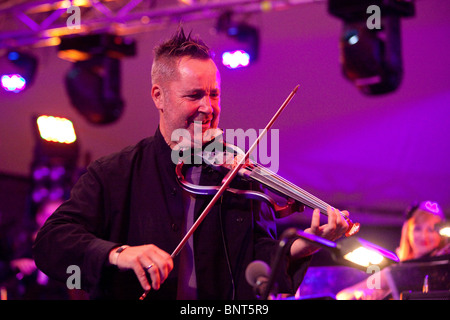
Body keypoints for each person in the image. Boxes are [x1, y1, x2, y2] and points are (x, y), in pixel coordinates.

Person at [32, 28, 350, 300]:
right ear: (158, 96)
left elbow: (257, 258)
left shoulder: (239, 175)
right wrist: (120, 253)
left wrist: (299, 248)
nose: (207, 107)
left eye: (214, 94)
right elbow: (52, 242)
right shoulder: (114, 173)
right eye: (194, 95)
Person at [336, 200, 449, 300]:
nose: (424, 236)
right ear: (408, 232)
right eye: (418, 229)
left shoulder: (445, 265)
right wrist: (360, 294)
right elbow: (343, 295)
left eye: (431, 229)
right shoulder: (398, 269)